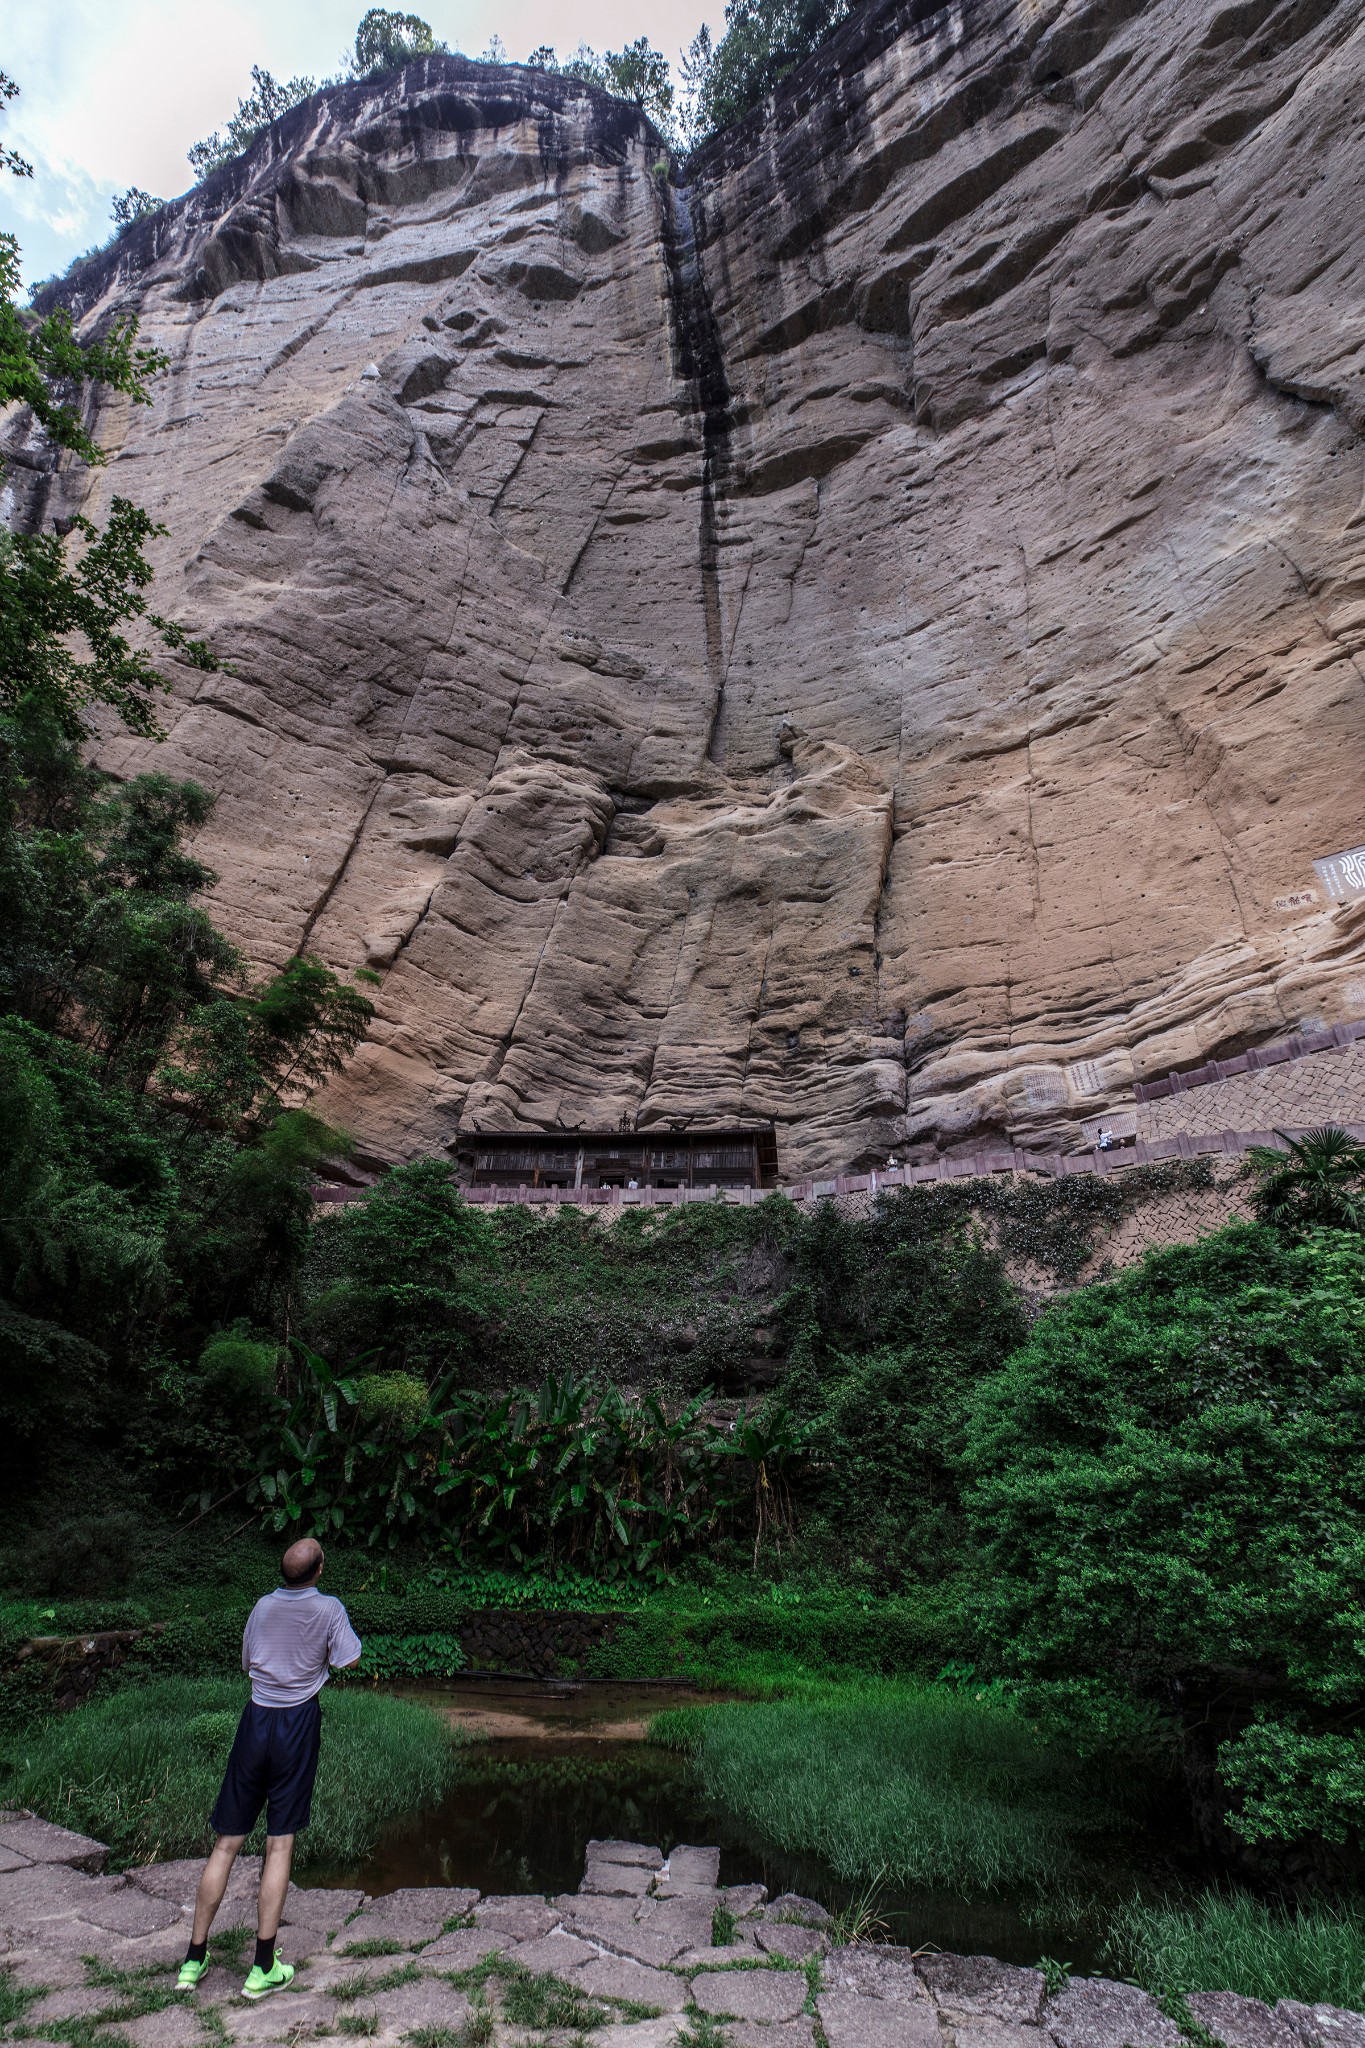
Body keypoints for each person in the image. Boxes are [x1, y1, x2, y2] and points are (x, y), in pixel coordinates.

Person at [176, 1537, 362, 1999]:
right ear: (318, 1571)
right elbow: (349, 1659)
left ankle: (193, 1961)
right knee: (279, 1845)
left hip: (255, 1719)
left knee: (226, 1843)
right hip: (297, 1723)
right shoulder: (329, 1608)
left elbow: (247, 1663)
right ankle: (262, 1968)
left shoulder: (261, 1607)